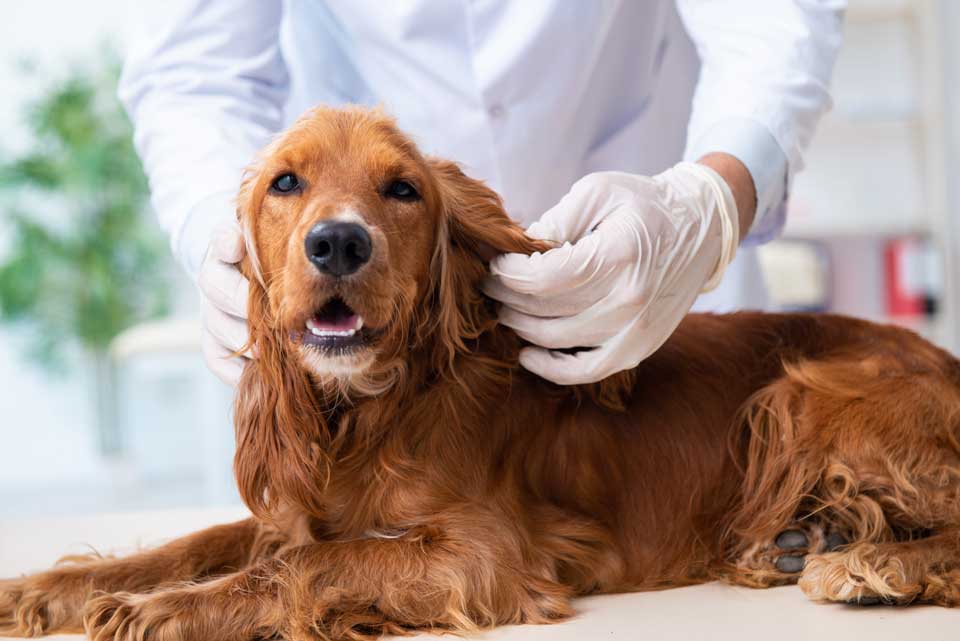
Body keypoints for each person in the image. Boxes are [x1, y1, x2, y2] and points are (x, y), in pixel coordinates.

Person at [119, 1, 844, 387]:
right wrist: (221, 231)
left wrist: (713, 198)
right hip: (357, 306)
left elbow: (771, 15)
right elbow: (194, 72)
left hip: (644, 248)